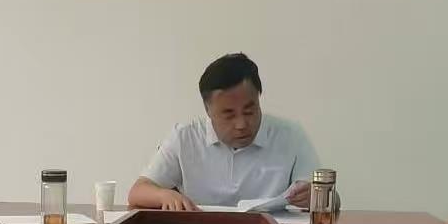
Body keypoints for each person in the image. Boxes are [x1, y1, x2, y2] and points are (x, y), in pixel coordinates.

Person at [129, 53, 323, 210]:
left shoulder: (290, 135)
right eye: (229, 115)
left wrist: (316, 198)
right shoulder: (184, 137)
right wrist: (164, 195)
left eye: (249, 111)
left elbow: (328, 198)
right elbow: (137, 192)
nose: (241, 124)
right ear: (208, 110)